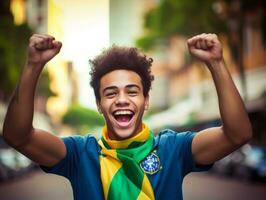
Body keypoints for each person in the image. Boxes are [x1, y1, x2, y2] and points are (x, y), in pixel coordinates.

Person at [3, 33, 252, 200]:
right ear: (100, 105)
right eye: (110, 93)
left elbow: (237, 134)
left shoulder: (173, 148)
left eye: (132, 91)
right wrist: (33, 66)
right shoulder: (80, 154)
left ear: (146, 100)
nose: (122, 99)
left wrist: (217, 63)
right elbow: (18, 136)